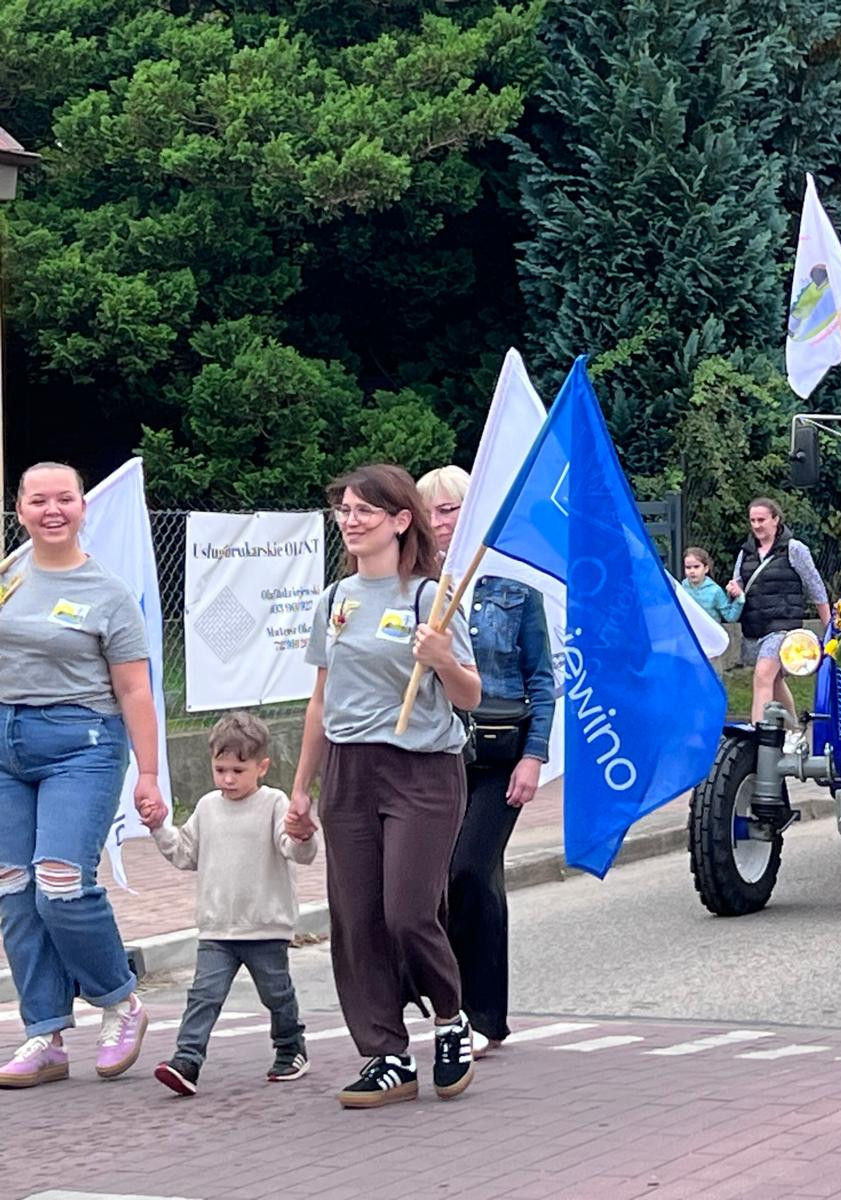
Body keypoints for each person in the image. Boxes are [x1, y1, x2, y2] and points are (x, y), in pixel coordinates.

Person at [288, 463, 481, 1109]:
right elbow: (321, 702)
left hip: (421, 770)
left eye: (365, 510)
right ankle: (386, 1055)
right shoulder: (334, 600)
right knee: (358, 920)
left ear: (401, 521)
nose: (351, 520)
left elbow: (470, 696)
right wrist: (301, 789)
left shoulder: (432, 596)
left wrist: (443, 660)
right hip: (349, 770)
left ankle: (451, 1017)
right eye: (344, 509)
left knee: (406, 911)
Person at [0, 462, 166, 1089]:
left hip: (83, 744)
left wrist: (148, 774)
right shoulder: (8, 576)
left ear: (81, 507)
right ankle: (44, 1034)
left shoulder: (108, 591)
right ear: (19, 509)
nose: (52, 510)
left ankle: (119, 1001)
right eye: (37, 500)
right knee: (13, 889)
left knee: (61, 884)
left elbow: (136, 690)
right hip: (5, 745)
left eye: (64, 499)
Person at [417, 465, 556, 1057]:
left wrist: (534, 757)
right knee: (443, 880)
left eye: (450, 509)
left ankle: (479, 1012)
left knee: (470, 869)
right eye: (429, 511)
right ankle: (453, 1002)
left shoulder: (512, 586)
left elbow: (542, 679)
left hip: (499, 753)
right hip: (437, 751)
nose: (439, 522)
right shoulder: (417, 588)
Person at [145, 712, 318, 1096]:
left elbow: (295, 851)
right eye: (220, 769)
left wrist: (303, 836)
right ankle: (186, 1060)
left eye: (238, 770)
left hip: (265, 926)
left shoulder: (274, 803)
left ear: (262, 766)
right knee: (203, 996)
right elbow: (186, 854)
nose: (227, 778)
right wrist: (159, 828)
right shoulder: (207, 807)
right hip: (216, 928)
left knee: (276, 994)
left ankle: (291, 1046)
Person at [725, 498, 831, 744]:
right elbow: (738, 581)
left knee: (762, 676)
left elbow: (815, 587)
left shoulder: (794, 549)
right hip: (755, 626)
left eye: (761, 520)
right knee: (774, 680)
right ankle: (795, 731)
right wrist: (734, 588)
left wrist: (830, 629)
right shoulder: (746, 552)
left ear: (776, 519)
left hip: (783, 626)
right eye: (753, 520)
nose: (757, 525)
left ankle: (757, 738)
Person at [681, 547, 742, 624]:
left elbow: (730, 617)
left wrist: (739, 598)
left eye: (696, 567)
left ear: (706, 569)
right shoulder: (682, 588)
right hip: (689, 633)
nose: (692, 571)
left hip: (710, 634)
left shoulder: (715, 591)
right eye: (688, 567)